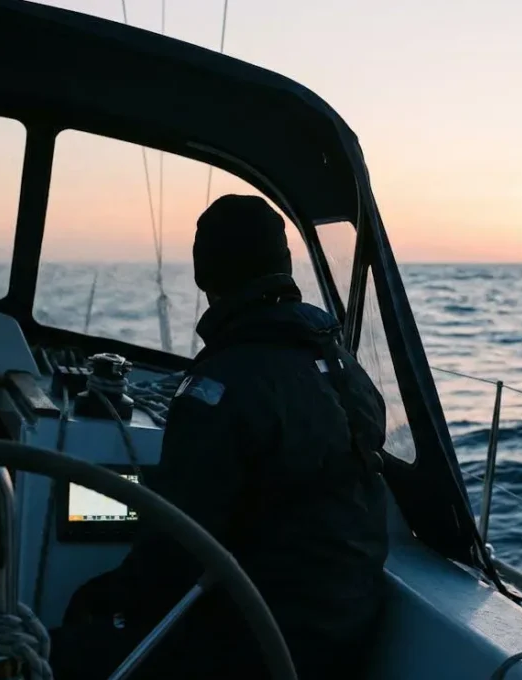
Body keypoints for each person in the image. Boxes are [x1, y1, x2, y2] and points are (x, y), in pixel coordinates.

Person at [50, 194, 390, 679]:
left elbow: (177, 551)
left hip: (256, 644)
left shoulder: (216, 389)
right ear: (286, 266)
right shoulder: (343, 367)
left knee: (51, 655)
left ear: (202, 274)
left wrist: (102, 595)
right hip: (343, 632)